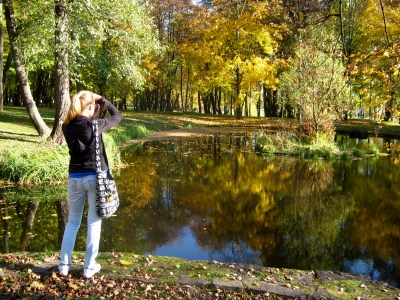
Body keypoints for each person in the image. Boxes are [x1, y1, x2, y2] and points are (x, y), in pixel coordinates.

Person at [59, 90, 123, 278]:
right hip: (95, 178)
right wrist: (103, 100)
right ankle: (89, 267)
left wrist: (92, 110)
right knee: (93, 223)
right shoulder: (94, 125)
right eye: (93, 105)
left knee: (72, 222)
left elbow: (83, 127)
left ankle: (64, 264)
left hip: (75, 178)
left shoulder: (66, 126)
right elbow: (118, 116)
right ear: (89, 106)